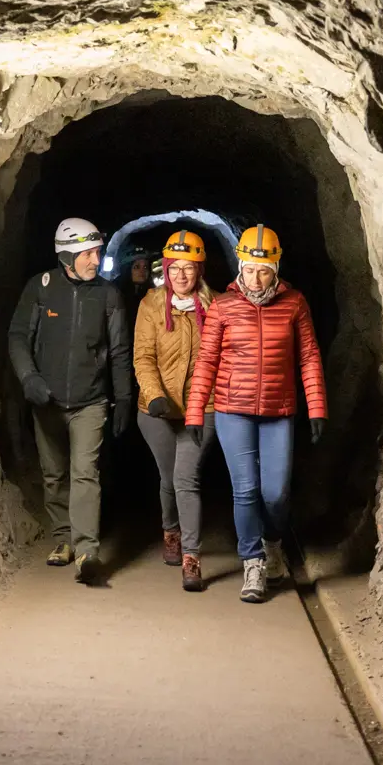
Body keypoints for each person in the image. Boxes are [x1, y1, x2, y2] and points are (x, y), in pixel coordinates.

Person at [184, 224, 327, 603]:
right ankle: (253, 562)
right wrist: (196, 411)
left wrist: (316, 407)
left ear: (276, 269)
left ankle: (273, 542)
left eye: (263, 270)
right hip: (234, 410)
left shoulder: (294, 303)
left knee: (276, 492)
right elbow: (207, 361)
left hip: (279, 409)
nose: (256, 277)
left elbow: (309, 356)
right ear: (240, 266)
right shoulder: (223, 306)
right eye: (249, 269)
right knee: (245, 489)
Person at [8, 217, 134, 585]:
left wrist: (123, 397)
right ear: (67, 255)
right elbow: (18, 336)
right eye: (89, 254)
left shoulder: (108, 295)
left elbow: (119, 351)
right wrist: (28, 378)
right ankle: (62, 538)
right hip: (46, 399)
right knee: (54, 472)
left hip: (90, 402)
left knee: (85, 473)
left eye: (97, 252)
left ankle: (86, 550)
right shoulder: (41, 289)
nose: (96, 260)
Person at [133, 230, 218, 591]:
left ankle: (191, 557)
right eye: (174, 268)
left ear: (199, 270)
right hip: (157, 411)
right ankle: (171, 530)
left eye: (189, 268)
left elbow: (222, 359)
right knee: (168, 479)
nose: (181, 276)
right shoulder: (151, 305)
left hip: (204, 409)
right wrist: (154, 396)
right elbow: (144, 356)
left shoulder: (216, 306)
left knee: (186, 479)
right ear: (165, 269)